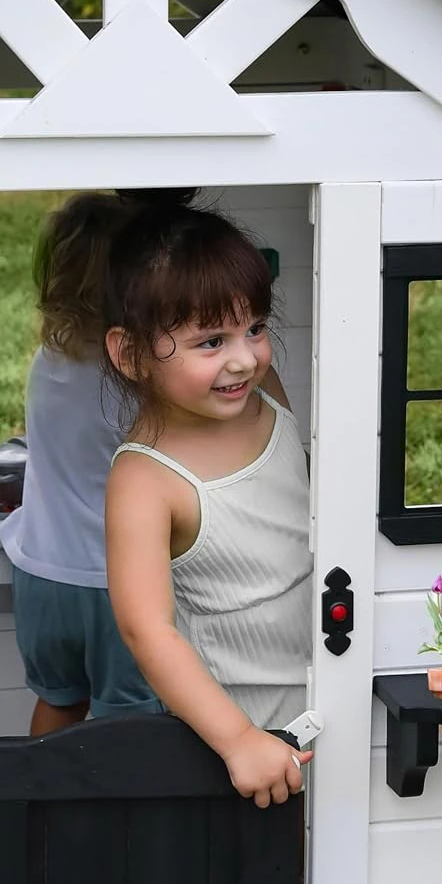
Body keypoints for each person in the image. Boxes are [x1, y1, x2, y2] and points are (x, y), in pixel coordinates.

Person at [103, 189, 314, 808]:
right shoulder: (146, 480)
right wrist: (238, 739)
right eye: (210, 342)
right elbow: (148, 632)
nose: (244, 358)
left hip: (329, 683)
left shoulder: (260, 391)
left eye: (255, 328)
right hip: (240, 740)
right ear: (131, 353)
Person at [0, 193, 161, 735]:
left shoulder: (50, 360)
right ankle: (123, 823)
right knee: (130, 726)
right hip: (114, 580)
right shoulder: (135, 374)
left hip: (42, 571)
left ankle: (43, 816)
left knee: (60, 703)